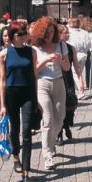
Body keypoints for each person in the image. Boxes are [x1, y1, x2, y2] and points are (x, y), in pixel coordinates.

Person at [0, 20, 38, 182]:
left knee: (27, 131)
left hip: (28, 93)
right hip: (12, 93)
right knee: (14, 130)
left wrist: (36, 99)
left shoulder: (31, 51)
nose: (23, 37)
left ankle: (26, 173)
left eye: (25, 33)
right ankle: (16, 156)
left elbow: (35, 75)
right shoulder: (4, 54)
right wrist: (2, 104)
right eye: (20, 34)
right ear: (12, 36)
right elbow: (1, 80)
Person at [31, 17, 70, 170]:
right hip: (42, 83)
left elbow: (67, 68)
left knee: (60, 118)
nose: (49, 35)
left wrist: (61, 61)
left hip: (59, 82)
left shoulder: (61, 45)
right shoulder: (35, 48)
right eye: (47, 32)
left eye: (52, 31)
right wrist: (46, 60)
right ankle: (47, 154)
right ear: (41, 32)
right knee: (47, 119)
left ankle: (51, 143)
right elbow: (34, 70)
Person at [58, 24, 84, 145]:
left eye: (68, 33)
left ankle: (67, 126)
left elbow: (77, 66)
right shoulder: (53, 48)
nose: (68, 35)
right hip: (58, 79)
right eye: (65, 33)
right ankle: (59, 134)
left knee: (70, 106)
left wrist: (81, 81)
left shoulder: (71, 48)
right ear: (59, 34)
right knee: (59, 107)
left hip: (68, 81)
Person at [68, 17, 91, 92]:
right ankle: (81, 86)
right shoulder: (85, 32)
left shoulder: (70, 32)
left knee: (74, 73)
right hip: (83, 54)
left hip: (74, 54)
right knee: (80, 72)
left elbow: (68, 43)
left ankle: (80, 88)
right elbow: (88, 44)